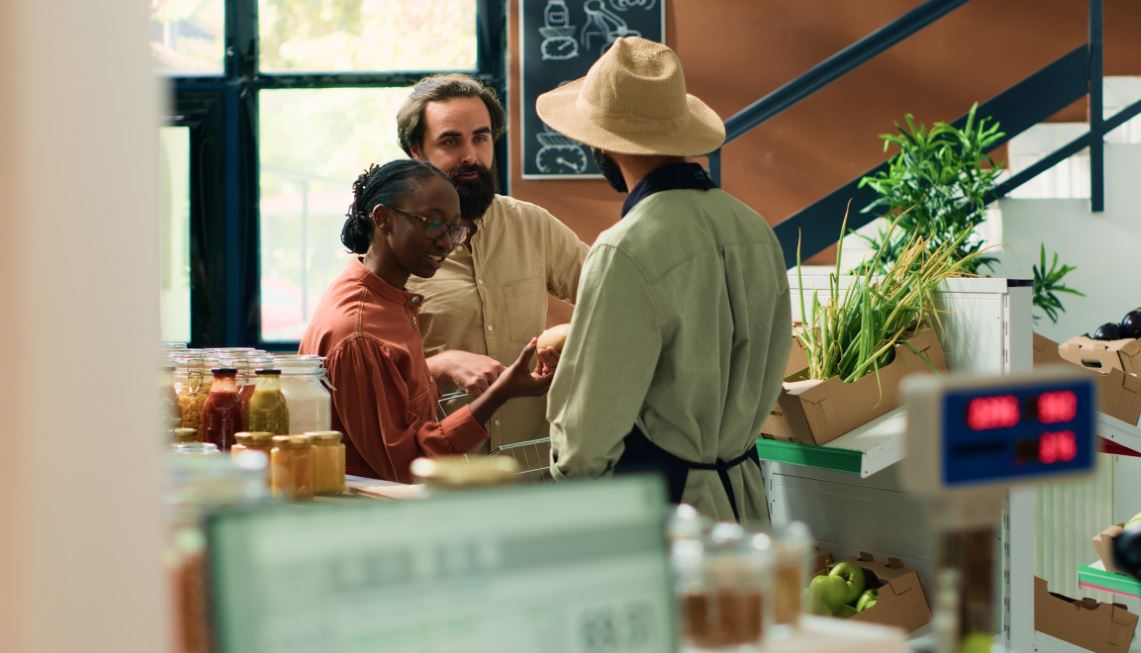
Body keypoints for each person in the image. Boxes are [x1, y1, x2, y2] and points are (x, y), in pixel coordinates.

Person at [536, 37, 792, 524]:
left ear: (603, 142)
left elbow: (587, 441)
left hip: (667, 521)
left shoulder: (624, 248)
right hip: (747, 504)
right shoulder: (754, 228)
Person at [299, 160, 553, 482]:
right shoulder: (361, 333)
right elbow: (410, 468)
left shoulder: (383, 296)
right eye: (432, 223)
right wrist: (499, 394)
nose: (447, 242)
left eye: (454, 228)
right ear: (384, 219)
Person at [397, 74, 589, 453]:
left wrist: (571, 336)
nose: (470, 156)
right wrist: (439, 364)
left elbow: (612, 291)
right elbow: (364, 369)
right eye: (451, 141)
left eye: (480, 138)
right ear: (416, 151)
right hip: (441, 476)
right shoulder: (392, 245)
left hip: (530, 471)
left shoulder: (531, 224)